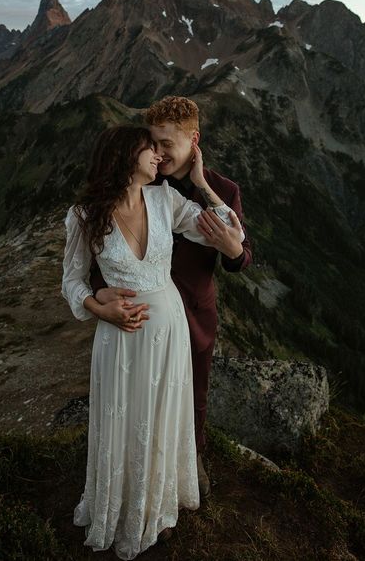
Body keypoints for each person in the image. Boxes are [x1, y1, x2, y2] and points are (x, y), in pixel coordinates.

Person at [61, 125, 244, 560]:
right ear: (127, 157)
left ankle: (156, 508)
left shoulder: (167, 200)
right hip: (120, 340)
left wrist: (201, 183)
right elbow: (70, 280)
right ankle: (120, 508)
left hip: (169, 333)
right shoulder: (84, 215)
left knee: (160, 419)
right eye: (149, 150)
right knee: (124, 420)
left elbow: (226, 228)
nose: (157, 159)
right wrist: (97, 305)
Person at [89, 96, 253, 500]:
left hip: (193, 314)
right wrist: (97, 295)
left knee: (191, 393)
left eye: (166, 144)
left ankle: (188, 459)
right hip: (138, 313)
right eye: (153, 144)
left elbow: (241, 255)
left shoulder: (223, 188)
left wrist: (230, 244)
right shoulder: (142, 181)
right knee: (134, 395)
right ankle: (132, 468)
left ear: (193, 140)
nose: (158, 154)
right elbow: (101, 252)